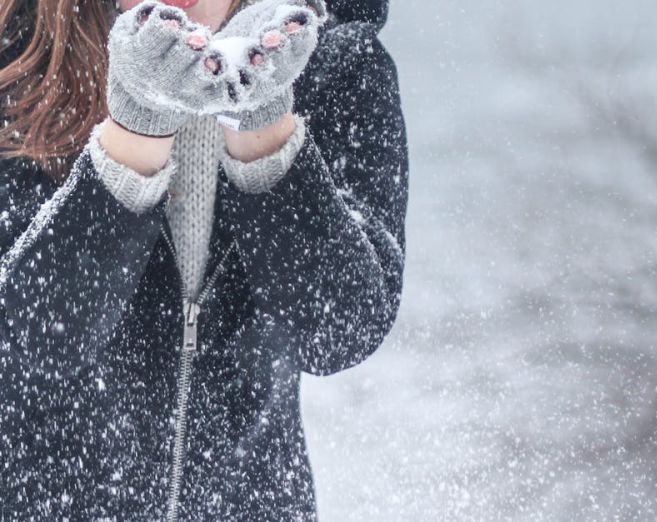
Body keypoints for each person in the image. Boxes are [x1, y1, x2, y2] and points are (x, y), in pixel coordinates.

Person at [0, 0, 407, 519]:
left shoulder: (338, 65)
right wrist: (136, 130)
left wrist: (263, 128)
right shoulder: (21, 57)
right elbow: (33, 340)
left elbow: (338, 332)